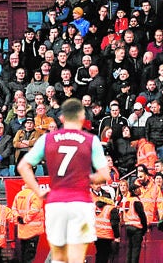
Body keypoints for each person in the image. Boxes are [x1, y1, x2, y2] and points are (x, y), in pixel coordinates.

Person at [16, 97, 112, 263]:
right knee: (76, 256)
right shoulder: (91, 140)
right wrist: (84, 178)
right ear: (82, 117)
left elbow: (23, 166)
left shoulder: (47, 139)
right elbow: (104, 175)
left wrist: (38, 191)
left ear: (61, 118)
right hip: (81, 203)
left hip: (56, 203)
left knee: (59, 256)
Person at [11, 180, 45, 263]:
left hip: (22, 230)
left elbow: (14, 209)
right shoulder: (35, 195)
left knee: (23, 253)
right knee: (30, 255)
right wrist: (25, 219)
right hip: (33, 231)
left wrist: (18, 217)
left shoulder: (19, 194)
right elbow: (35, 210)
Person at [118, 181, 147, 263]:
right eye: (138, 189)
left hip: (128, 227)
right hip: (136, 228)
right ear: (134, 191)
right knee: (135, 251)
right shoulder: (136, 201)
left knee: (129, 250)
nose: (140, 190)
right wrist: (144, 229)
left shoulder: (126, 201)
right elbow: (142, 215)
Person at [92, 190, 119, 263]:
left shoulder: (96, 207)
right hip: (107, 236)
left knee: (99, 254)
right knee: (105, 256)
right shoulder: (111, 208)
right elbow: (114, 224)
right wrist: (117, 236)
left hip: (97, 235)